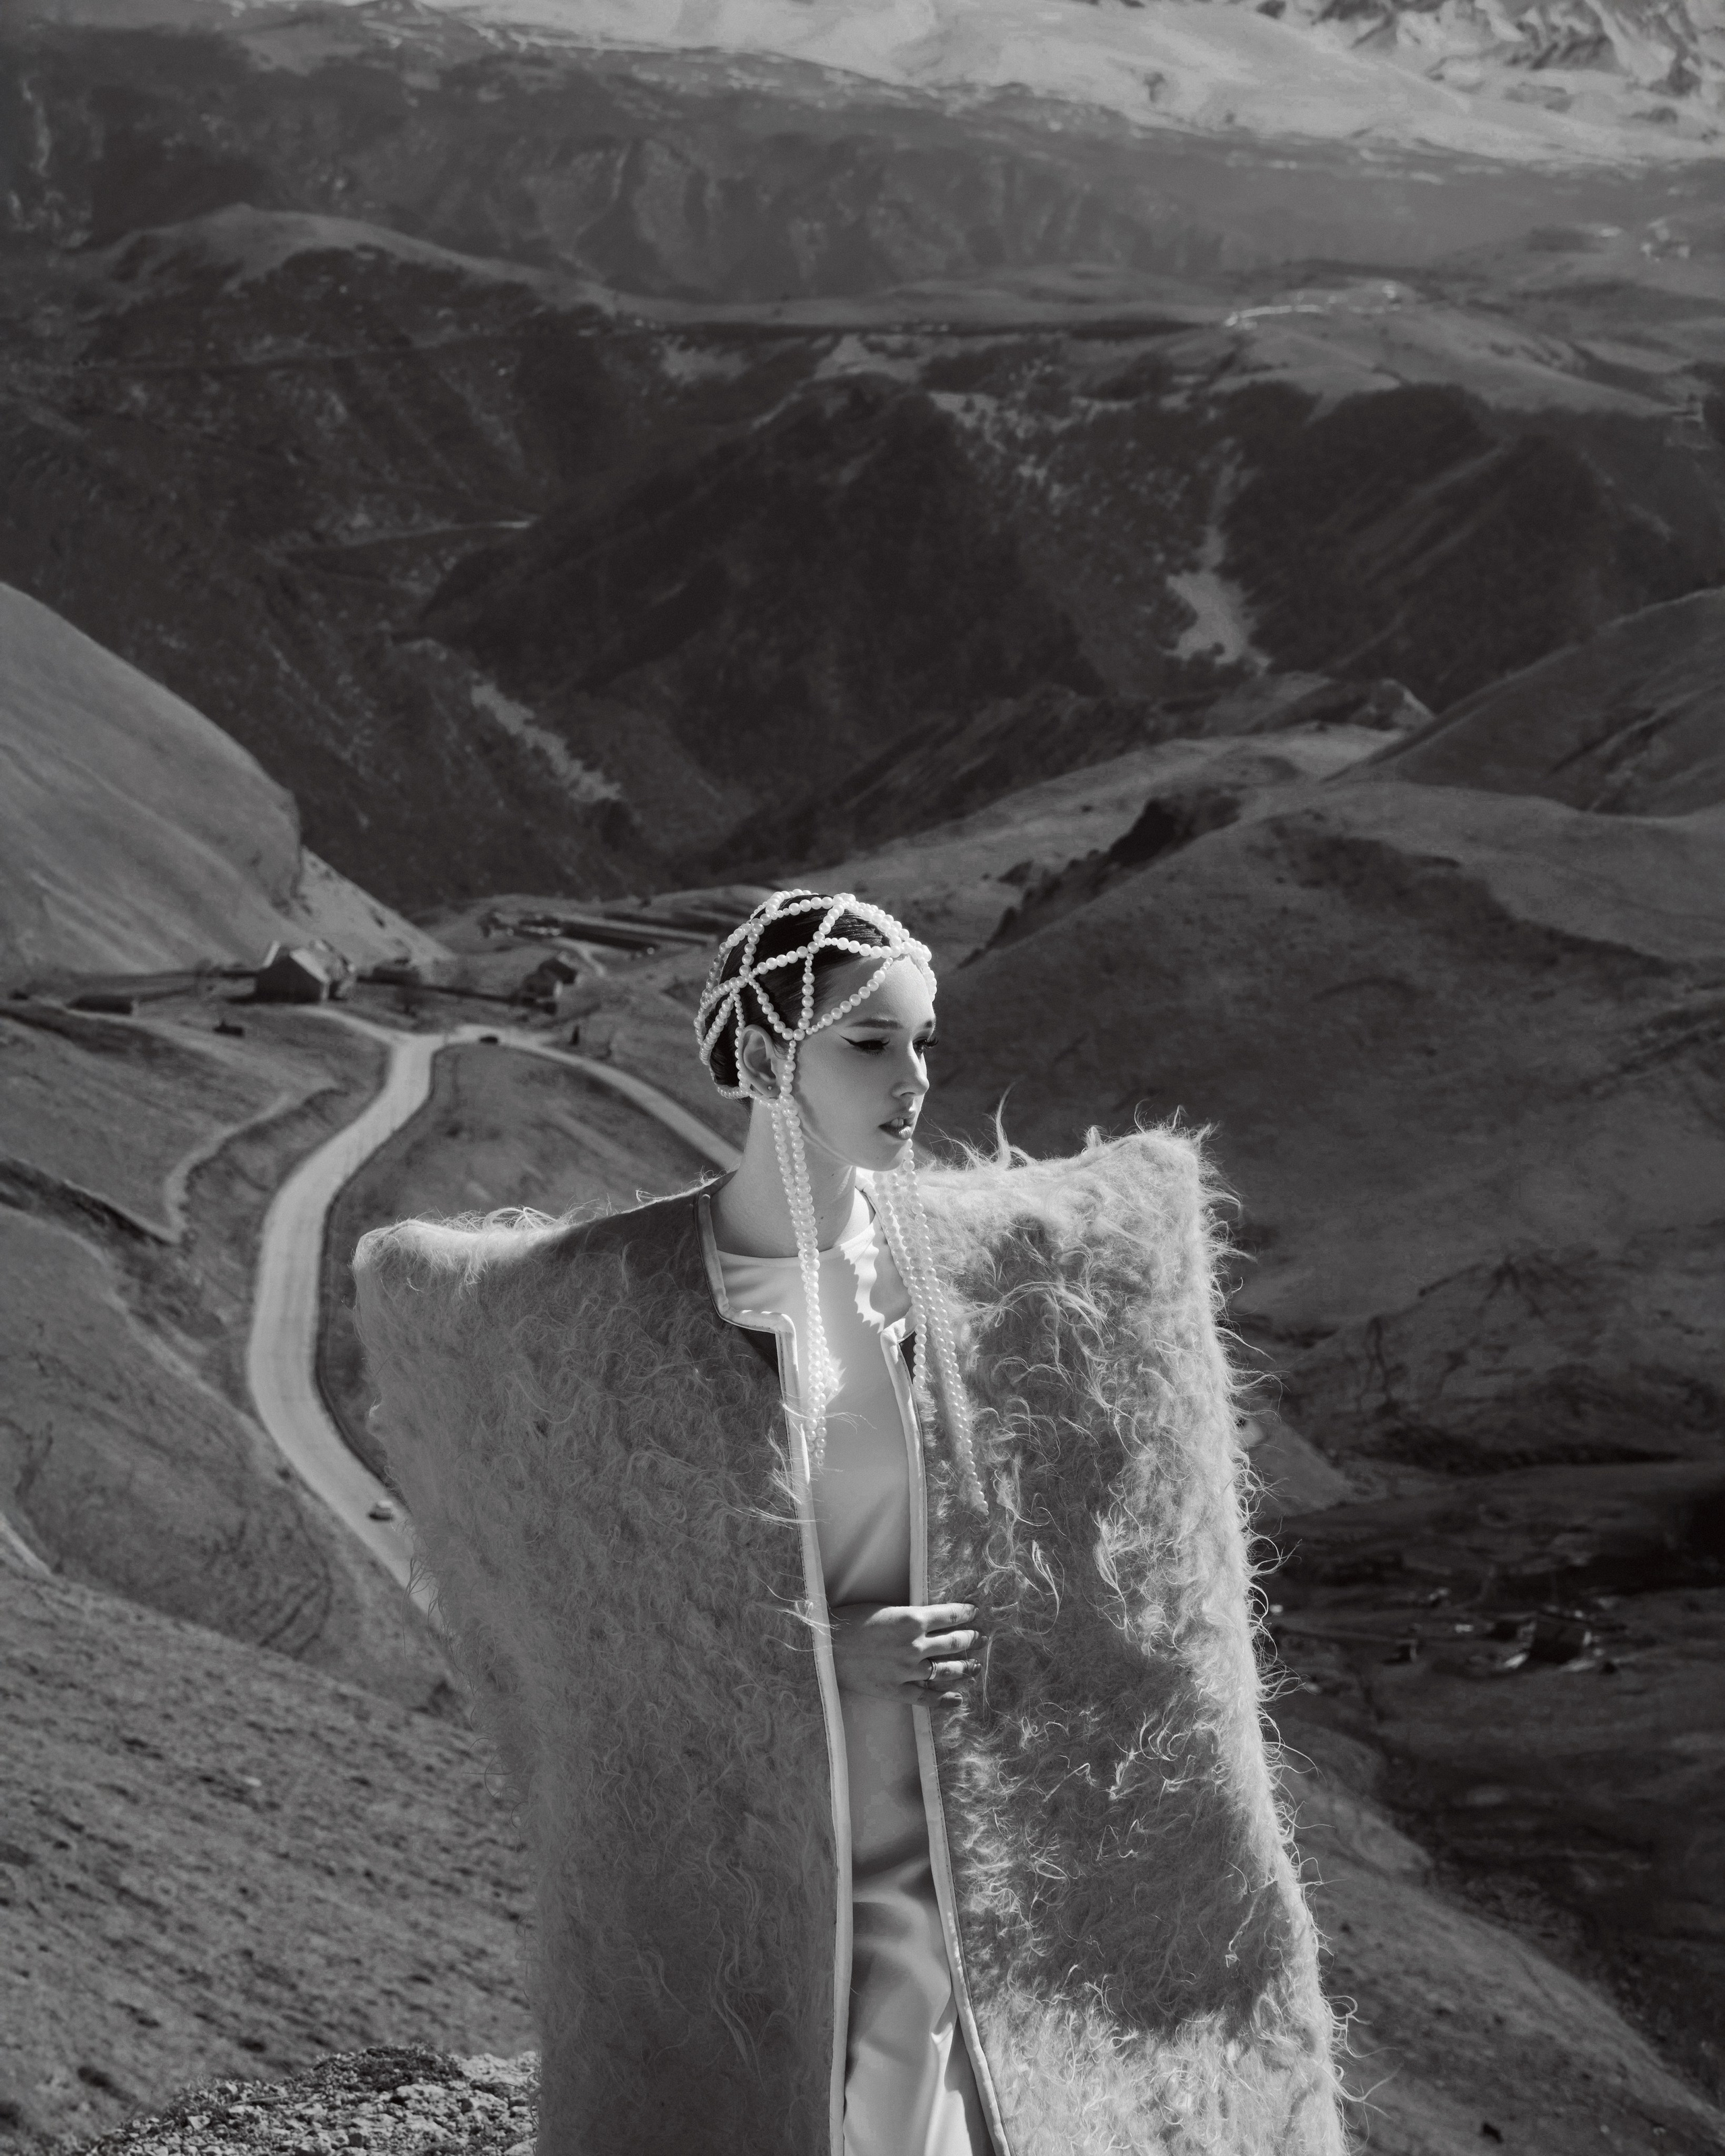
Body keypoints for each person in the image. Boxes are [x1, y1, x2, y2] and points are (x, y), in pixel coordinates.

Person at [352, 891, 1344, 2156]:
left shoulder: (966, 1282)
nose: (917, 1079)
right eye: (871, 1044)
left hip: (966, 1827)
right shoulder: (622, 1311)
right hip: (781, 1824)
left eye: (926, 1043)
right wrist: (815, 1663)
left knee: (956, 2096)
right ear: (770, 1057)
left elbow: (1117, 1351)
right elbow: (594, 1626)